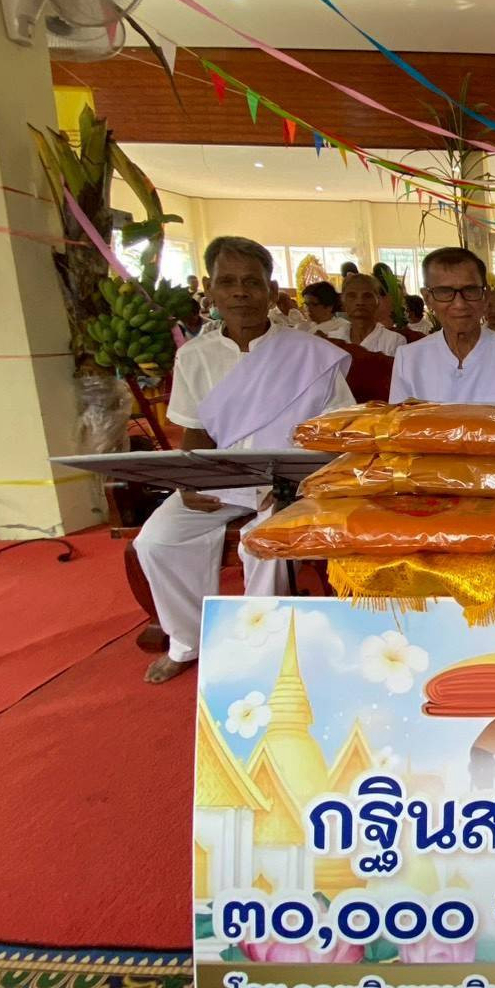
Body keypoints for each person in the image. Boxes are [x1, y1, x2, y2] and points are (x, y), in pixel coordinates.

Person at [133, 237, 355, 684]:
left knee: (263, 544)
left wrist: (298, 486)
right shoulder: (194, 356)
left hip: (293, 483)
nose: (240, 292)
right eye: (228, 282)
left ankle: (264, 651)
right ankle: (190, 640)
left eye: (251, 282)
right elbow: (194, 429)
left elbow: (338, 431)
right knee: (156, 541)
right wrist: (191, 483)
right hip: (221, 481)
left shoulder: (310, 353)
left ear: (270, 291)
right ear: (210, 290)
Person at [389, 248, 495, 405]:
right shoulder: (409, 359)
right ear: (427, 298)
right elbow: (398, 419)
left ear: (485, 295)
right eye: (444, 292)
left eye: (470, 290)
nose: (459, 304)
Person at [326, 272, 408, 356]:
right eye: (352, 296)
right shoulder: (333, 339)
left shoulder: (394, 341)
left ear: (378, 301)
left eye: (367, 296)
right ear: (343, 302)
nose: (360, 302)